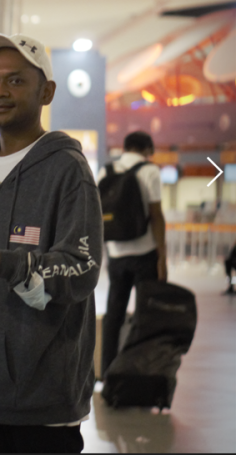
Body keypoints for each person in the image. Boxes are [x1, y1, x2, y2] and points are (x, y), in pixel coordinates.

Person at [0, 33, 102, 453]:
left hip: (43, 401)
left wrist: (1, 261)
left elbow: (81, 269)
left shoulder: (68, 171)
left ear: (46, 92)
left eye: (15, 81)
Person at [98, 131, 167, 376]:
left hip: (116, 253)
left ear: (126, 147)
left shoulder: (106, 171)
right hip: (145, 253)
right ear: (147, 149)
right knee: (145, 314)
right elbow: (156, 215)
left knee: (113, 315)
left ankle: (107, 372)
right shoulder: (150, 171)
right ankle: (140, 372)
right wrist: (162, 257)